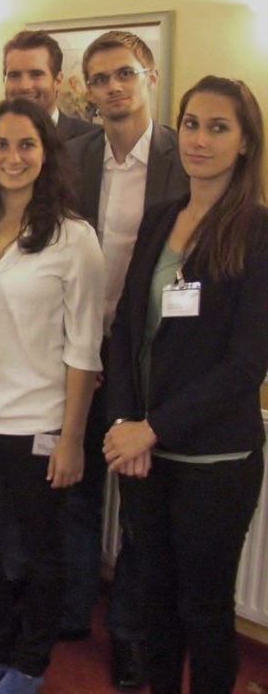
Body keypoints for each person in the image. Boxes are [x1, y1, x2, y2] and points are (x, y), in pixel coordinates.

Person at [103, 76, 268, 694]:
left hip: (213, 460)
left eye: (218, 128)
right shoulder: (161, 218)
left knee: (203, 610)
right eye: (192, 124)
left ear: (245, 142)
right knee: (154, 601)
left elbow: (247, 364)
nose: (200, 139)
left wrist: (152, 428)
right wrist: (125, 422)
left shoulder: (259, 232)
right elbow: (125, 327)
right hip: (144, 453)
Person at [0, 99, 104, 694]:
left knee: (40, 551)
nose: (13, 156)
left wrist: (73, 438)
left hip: (39, 420)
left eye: (26, 144)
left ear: (46, 153)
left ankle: (31, 663)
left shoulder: (74, 238)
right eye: (1, 144)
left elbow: (84, 348)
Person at [64, 30, 189, 691]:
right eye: (100, 77)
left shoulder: (182, 156)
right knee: (76, 485)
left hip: (150, 357)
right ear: (87, 89)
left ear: (150, 77)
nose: (112, 87)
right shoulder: (73, 156)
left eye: (125, 74)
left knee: (141, 503)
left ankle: (130, 632)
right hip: (81, 349)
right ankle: (73, 607)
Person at [2, 30, 94, 141]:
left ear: (58, 80)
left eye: (36, 74)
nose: (24, 86)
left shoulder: (93, 139)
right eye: (14, 75)